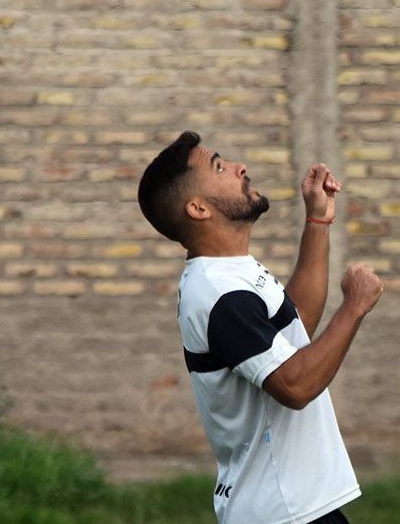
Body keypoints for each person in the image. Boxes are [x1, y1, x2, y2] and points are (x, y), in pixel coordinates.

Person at [137, 131, 384, 524]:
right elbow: (295, 385)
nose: (240, 168)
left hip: (293, 505)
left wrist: (318, 221)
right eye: (220, 167)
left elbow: (295, 321)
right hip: (281, 510)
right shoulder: (220, 295)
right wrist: (353, 307)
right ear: (198, 208)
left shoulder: (228, 273)